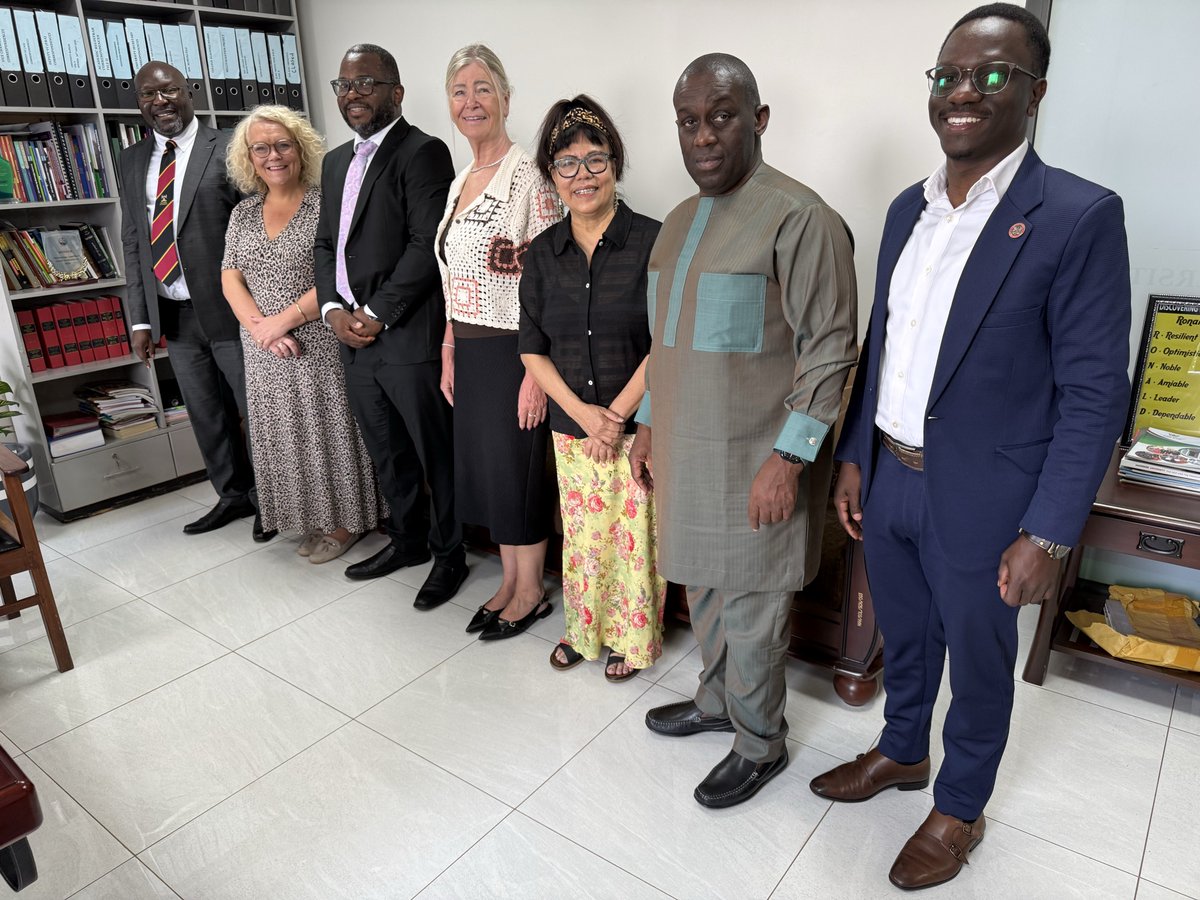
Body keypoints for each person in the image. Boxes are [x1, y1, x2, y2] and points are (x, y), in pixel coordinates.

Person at [808, 4, 1131, 890]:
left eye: (991, 75)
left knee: (979, 665)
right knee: (904, 638)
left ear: (1036, 93)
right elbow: (885, 348)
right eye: (947, 74)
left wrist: (1050, 534)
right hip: (893, 478)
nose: (962, 91)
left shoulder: (1076, 216)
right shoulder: (905, 211)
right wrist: (853, 457)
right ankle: (903, 752)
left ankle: (959, 806)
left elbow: (1098, 393)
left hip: (994, 501)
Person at [633, 54, 858, 808]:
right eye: (689, 121)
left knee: (755, 605)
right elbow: (667, 343)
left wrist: (788, 461)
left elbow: (831, 349)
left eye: (722, 116)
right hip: (688, 451)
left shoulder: (802, 218)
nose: (704, 136)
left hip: (759, 457)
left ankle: (760, 743)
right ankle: (715, 700)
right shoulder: (677, 222)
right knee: (704, 588)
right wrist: (647, 426)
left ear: (758, 121)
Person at [313, 43, 467, 607]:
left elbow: (427, 244)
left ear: (395, 93)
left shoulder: (423, 152)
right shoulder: (334, 162)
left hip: (406, 337)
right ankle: (407, 541)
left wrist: (376, 314)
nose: (353, 95)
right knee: (387, 450)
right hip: (351, 339)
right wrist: (332, 310)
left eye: (366, 84)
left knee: (435, 454)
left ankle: (449, 555)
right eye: (344, 85)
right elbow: (327, 243)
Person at [520, 96, 666, 680]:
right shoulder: (542, 254)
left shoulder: (655, 241)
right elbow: (532, 347)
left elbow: (668, 342)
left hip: (638, 429)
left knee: (634, 540)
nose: (583, 176)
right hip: (572, 427)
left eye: (595, 160)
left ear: (616, 164)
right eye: (567, 164)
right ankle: (583, 633)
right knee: (582, 540)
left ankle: (633, 641)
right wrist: (585, 415)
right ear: (552, 176)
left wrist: (617, 416)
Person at [433, 45, 559, 638]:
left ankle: (531, 590)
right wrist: (449, 347)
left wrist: (537, 372)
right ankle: (509, 581)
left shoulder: (527, 176)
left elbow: (548, 279)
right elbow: (453, 276)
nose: (471, 101)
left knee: (519, 471)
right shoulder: (463, 179)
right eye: (460, 91)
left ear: (506, 99)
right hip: (473, 349)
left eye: (483, 88)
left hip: (516, 350)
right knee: (492, 471)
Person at [221, 105, 382, 564]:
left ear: (301, 148)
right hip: (265, 348)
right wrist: (262, 330)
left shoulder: (324, 202)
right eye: (261, 148)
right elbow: (230, 277)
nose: (273, 155)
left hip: (317, 340)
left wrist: (284, 321)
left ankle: (344, 521)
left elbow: (340, 274)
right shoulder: (243, 213)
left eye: (282, 144)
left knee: (324, 432)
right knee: (284, 435)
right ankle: (310, 516)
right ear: (248, 158)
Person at [119, 62, 266, 541]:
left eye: (170, 91)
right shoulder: (132, 159)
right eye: (148, 94)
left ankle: (274, 501)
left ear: (189, 92)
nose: (160, 102)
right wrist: (140, 319)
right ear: (138, 102)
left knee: (255, 408)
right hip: (175, 315)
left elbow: (258, 231)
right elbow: (135, 239)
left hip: (233, 312)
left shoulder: (229, 147)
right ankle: (233, 496)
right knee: (207, 414)